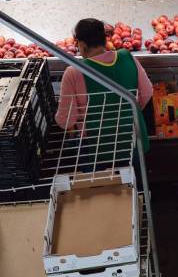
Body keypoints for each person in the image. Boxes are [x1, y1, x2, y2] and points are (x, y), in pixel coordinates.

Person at [56, 18, 153, 170]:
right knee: (135, 188)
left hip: (95, 149)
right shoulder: (127, 57)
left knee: (101, 191)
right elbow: (147, 92)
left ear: (82, 44)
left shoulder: (74, 72)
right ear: (104, 39)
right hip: (132, 140)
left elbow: (66, 121)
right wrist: (126, 113)